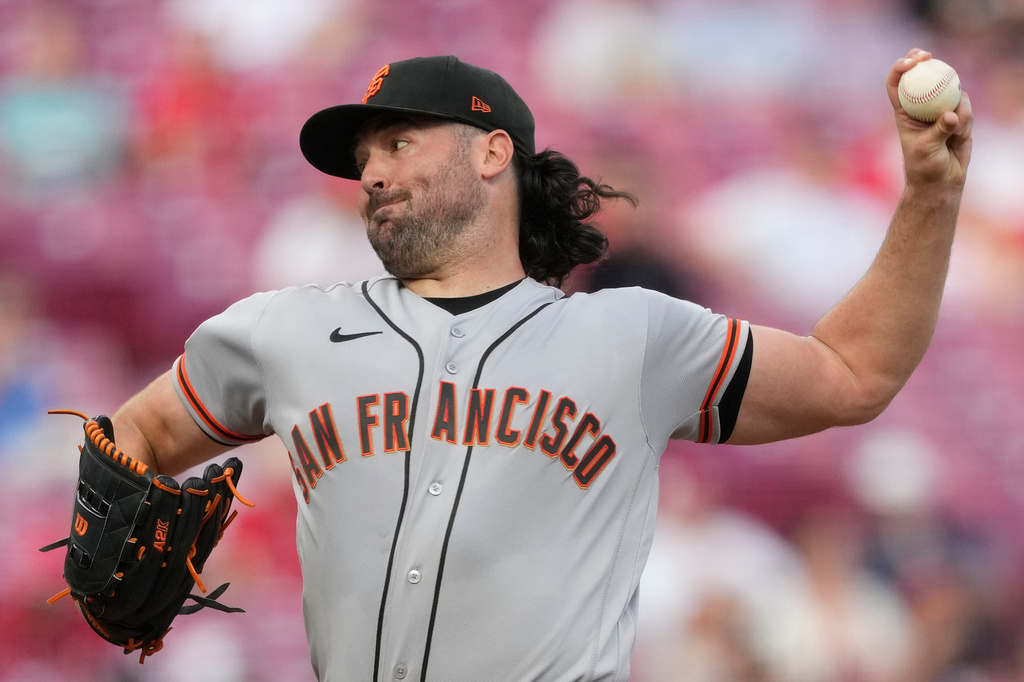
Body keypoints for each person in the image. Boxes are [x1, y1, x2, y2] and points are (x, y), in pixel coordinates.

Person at [100, 51, 972, 681]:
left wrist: (930, 196)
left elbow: (854, 373)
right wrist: (110, 520)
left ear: (491, 152)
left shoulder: (634, 338)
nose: (370, 171)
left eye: (399, 142)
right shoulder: (282, 330)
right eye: (363, 157)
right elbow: (135, 434)